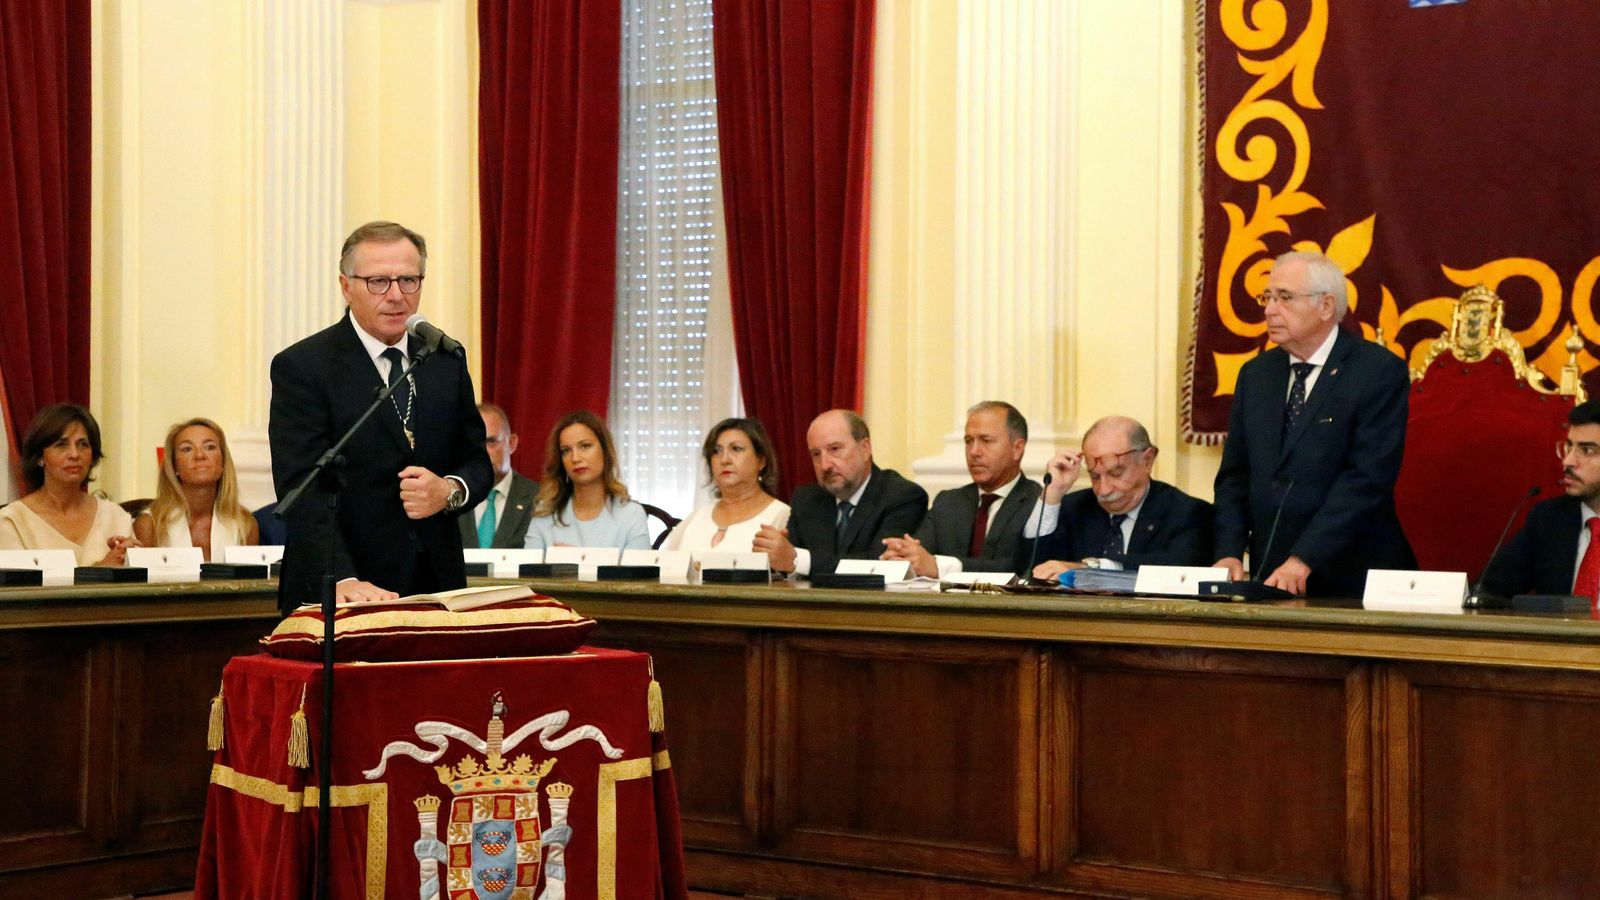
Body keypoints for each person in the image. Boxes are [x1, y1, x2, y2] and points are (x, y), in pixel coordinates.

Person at [269, 221, 493, 613]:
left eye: (408, 280)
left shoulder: (443, 359)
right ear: (346, 286)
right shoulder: (305, 366)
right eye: (378, 282)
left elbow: (476, 462)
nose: (396, 295)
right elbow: (302, 488)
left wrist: (449, 490)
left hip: (436, 586)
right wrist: (344, 578)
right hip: (343, 587)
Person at [1212, 250, 1414, 597]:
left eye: (1285, 298)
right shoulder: (1256, 375)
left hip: (1352, 577)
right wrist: (1228, 551)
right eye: (1267, 297)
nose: (1269, 310)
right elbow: (1235, 476)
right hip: (1271, 574)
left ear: (1325, 306)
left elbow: (1366, 480)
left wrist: (1304, 558)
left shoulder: (1376, 371)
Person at [1026, 416, 1213, 579]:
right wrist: (1052, 495)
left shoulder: (1187, 512)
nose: (1104, 490)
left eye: (1116, 474)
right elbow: (1031, 567)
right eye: (1095, 476)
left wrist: (1091, 568)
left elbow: (1180, 568)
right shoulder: (1075, 508)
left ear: (1147, 461)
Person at [756, 409, 928, 576]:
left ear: (865, 448)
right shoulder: (807, 499)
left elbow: (881, 564)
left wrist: (798, 560)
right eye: (816, 454)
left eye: (835, 449)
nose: (825, 465)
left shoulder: (902, 496)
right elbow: (787, 560)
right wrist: (773, 554)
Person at [880, 401, 1042, 578]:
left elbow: (1018, 567)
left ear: (1017, 449)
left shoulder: (1038, 503)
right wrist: (903, 555)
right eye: (968, 441)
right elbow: (922, 554)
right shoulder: (948, 503)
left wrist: (942, 567)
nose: (974, 451)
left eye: (986, 440)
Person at [1480, 400, 1600, 600]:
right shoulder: (1549, 518)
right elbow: (1488, 593)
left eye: (1587, 450)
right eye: (1569, 447)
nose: (1568, 461)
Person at [0, 403, 136, 566]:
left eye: (83, 444)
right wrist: (101, 571)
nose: (74, 454)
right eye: (61, 445)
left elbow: (138, 580)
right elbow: (20, 582)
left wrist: (136, 561)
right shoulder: (12, 521)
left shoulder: (115, 516)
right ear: (40, 457)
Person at [132, 417, 259, 560]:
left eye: (209, 447)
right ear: (174, 466)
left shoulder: (245, 524)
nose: (200, 455)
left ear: (223, 462)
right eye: (187, 449)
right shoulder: (150, 525)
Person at [523, 410, 651, 550]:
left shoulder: (632, 514)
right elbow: (528, 564)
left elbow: (638, 565)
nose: (575, 458)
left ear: (604, 451)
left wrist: (576, 560)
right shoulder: (545, 514)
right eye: (566, 450)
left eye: (585, 446)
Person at [664, 418, 790, 553]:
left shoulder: (782, 516)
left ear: (761, 461)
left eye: (736, 449)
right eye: (716, 451)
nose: (724, 460)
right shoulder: (697, 517)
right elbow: (665, 562)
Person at [458, 402, 538, 549]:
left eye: (491, 441)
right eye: (474, 443)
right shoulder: (454, 497)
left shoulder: (538, 498)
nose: (482, 452)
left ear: (511, 443)